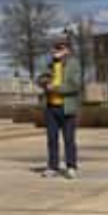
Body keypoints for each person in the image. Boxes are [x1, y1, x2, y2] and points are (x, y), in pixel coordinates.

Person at [40, 38, 81, 179]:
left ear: (67, 50)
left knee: (69, 139)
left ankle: (71, 166)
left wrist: (56, 89)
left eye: (60, 47)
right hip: (51, 107)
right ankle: (52, 167)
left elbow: (75, 85)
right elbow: (41, 78)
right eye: (55, 48)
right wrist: (45, 84)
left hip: (67, 107)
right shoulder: (49, 63)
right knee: (52, 139)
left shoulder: (73, 64)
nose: (57, 50)